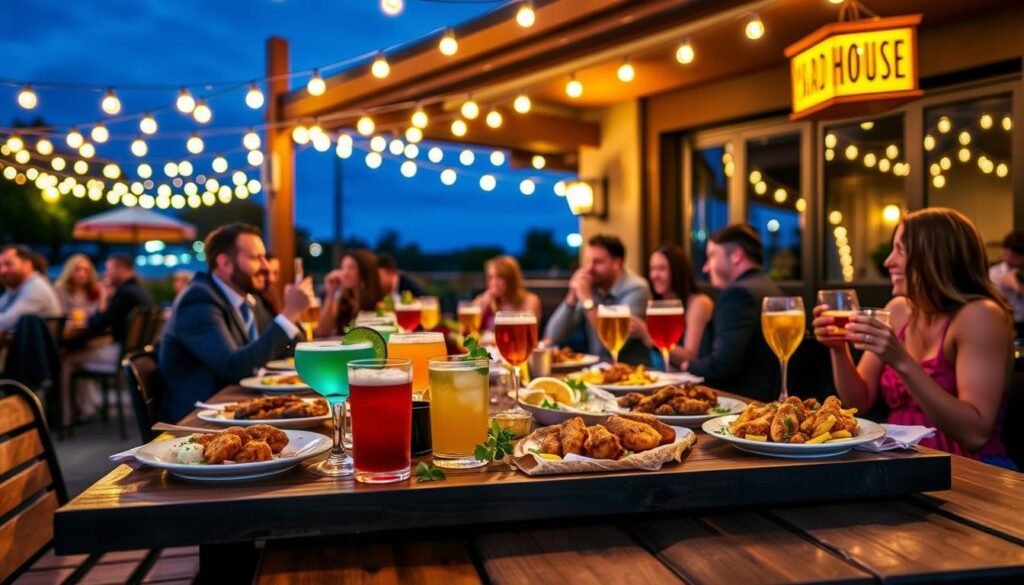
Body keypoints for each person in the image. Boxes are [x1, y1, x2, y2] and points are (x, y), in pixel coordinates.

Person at [814, 208, 1014, 467]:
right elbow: (858, 402)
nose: (888, 262)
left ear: (936, 257)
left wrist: (901, 360)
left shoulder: (981, 316)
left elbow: (975, 434)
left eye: (900, 250)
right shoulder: (899, 310)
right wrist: (838, 349)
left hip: (969, 467)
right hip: (901, 457)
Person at [158, 224, 312, 421]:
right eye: (256, 258)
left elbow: (284, 349)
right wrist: (289, 314)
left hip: (236, 409)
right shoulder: (198, 301)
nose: (266, 266)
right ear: (225, 263)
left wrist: (292, 317)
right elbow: (233, 367)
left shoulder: (247, 299)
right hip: (198, 419)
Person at [686, 225, 783, 402]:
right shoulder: (771, 288)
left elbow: (721, 365)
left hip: (741, 404)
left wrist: (687, 365)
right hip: (767, 400)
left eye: (711, 256)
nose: (705, 268)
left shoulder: (738, 294)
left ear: (737, 255)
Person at [62, 254, 154, 423]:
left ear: (120, 269)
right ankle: (85, 407)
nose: (105, 274)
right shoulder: (140, 291)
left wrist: (102, 299)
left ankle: (65, 417)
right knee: (82, 352)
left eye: (108, 269)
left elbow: (99, 323)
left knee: (67, 360)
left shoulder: (125, 294)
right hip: (135, 355)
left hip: (119, 355)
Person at [543, 234, 651, 364]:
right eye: (587, 261)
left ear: (617, 264)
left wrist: (587, 300)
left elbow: (612, 341)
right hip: (597, 369)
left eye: (597, 262)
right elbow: (552, 335)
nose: (589, 268)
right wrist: (572, 296)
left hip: (634, 370)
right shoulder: (592, 287)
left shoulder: (637, 288)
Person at [630, 244, 714, 369]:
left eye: (662, 269)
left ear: (678, 271)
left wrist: (649, 336)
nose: (654, 275)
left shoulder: (698, 303)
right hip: (662, 378)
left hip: (693, 379)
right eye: (652, 269)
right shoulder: (656, 305)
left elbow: (690, 358)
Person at [316, 249, 381, 336]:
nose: (345, 273)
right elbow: (322, 331)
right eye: (343, 267)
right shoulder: (342, 299)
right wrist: (330, 294)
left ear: (365, 272)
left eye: (351, 268)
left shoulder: (378, 303)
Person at [0, 245, 62, 332]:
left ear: (27, 265)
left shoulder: (36, 288)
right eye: (0, 266)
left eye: (8, 264)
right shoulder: (17, 288)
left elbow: (7, 323)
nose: (2, 270)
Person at [472, 255, 542, 332]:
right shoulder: (482, 300)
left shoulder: (530, 300)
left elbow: (527, 332)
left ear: (511, 279)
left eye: (499, 277)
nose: (494, 283)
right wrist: (483, 305)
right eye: (490, 278)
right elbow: (468, 330)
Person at [989, 230, 1024, 338]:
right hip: (1002, 324)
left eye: (1014, 256)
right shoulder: (993, 273)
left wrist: (1018, 286)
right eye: (1005, 253)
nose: (1007, 258)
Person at [54, 254, 106, 324]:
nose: (82, 274)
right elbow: (62, 315)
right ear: (69, 271)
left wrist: (103, 294)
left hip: (93, 328)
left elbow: (102, 315)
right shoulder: (61, 290)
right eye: (77, 269)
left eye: (86, 270)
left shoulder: (95, 290)